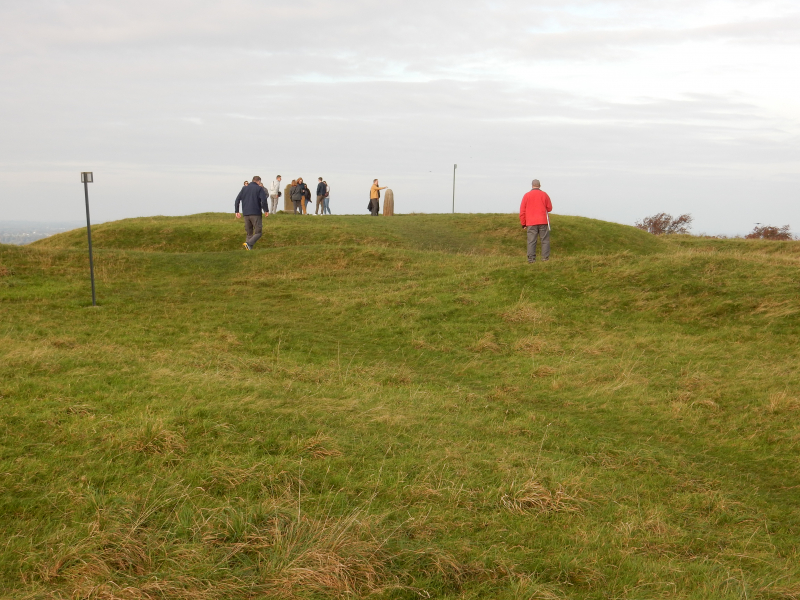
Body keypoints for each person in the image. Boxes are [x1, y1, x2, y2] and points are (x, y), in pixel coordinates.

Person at [519, 179, 553, 263]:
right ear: (539, 185)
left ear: (532, 185)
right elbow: (549, 208)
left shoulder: (526, 195)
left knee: (531, 241)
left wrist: (523, 223)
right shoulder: (544, 194)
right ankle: (545, 258)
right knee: (545, 241)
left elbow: (522, 211)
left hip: (531, 222)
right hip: (543, 221)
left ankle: (531, 260)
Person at [235, 176, 269, 250]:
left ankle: (248, 249)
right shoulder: (259, 188)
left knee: (249, 233)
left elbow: (237, 199)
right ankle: (249, 243)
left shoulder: (244, 188)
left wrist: (237, 211)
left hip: (246, 213)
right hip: (256, 213)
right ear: (259, 181)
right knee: (258, 232)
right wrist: (266, 210)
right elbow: (264, 200)